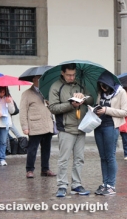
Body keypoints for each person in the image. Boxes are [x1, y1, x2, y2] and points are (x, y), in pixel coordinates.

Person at [48, 63, 94, 197]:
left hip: (81, 127)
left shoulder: (80, 84)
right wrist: (71, 105)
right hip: (66, 128)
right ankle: (62, 186)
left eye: (73, 74)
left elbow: (91, 99)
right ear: (62, 73)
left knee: (79, 158)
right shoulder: (56, 86)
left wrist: (84, 98)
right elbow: (53, 108)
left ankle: (76, 185)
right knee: (64, 159)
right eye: (68, 75)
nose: (71, 77)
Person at [94, 71, 127, 195]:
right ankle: (104, 184)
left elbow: (125, 112)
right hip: (98, 126)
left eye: (104, 86)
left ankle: (111, 185)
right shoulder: (101, 92)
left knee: (110, 156)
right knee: (102, 157)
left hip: (111, 127)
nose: (103, 89)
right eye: (101, 86)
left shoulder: (121, 92)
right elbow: (98, 105)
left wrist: (107, 110)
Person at [19, 75, 56, 179]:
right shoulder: (27, 94)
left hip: (47, 124)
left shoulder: (47, 92)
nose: (41, 81)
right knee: (32, 149)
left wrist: (49, 101)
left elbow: (52, 107)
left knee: (46, 149)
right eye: (39, 79)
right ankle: (29, 170)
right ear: (33, 80)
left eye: (42, 78)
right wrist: (24, 127)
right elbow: (23, 111)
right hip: (35, 125)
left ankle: (45, 169)